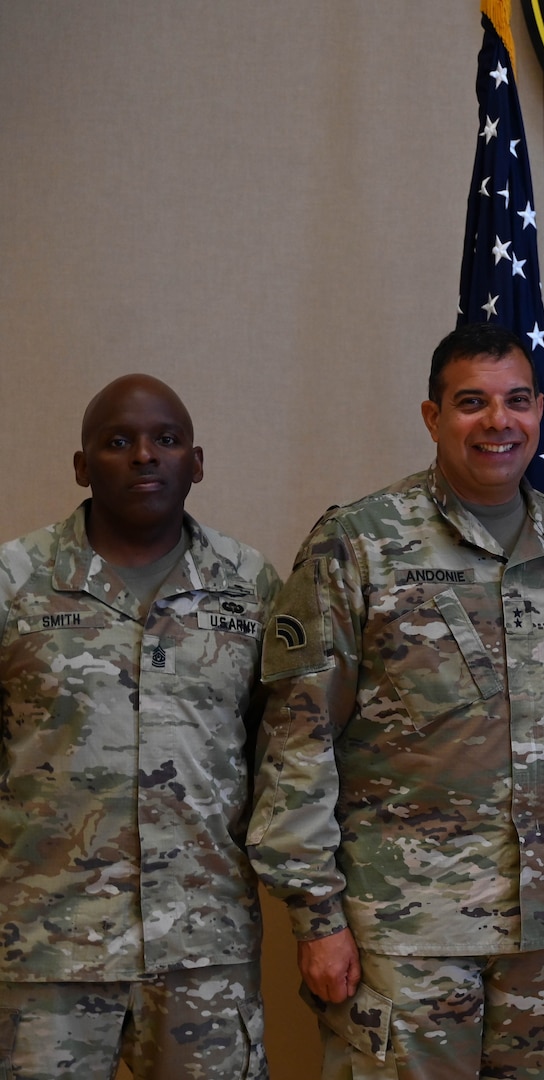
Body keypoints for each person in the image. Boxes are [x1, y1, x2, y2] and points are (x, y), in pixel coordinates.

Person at [248, 323, 544, 1079]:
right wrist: (317, 919)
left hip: (543, 938)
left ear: (540, 410)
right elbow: (297, 740)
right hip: (404, 933)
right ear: (432, 416)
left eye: (517, 401)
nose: (498, 422)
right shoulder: (358, 544)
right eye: (471, 403)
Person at [0, 375, 280, 1079]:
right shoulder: (14, 581)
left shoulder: (251, 586)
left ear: (197, 462)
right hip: (45, 946)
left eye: (167, 439)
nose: (144, 456)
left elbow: (285, 753)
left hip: (204, 948)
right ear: (81, 465)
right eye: (118, 442)